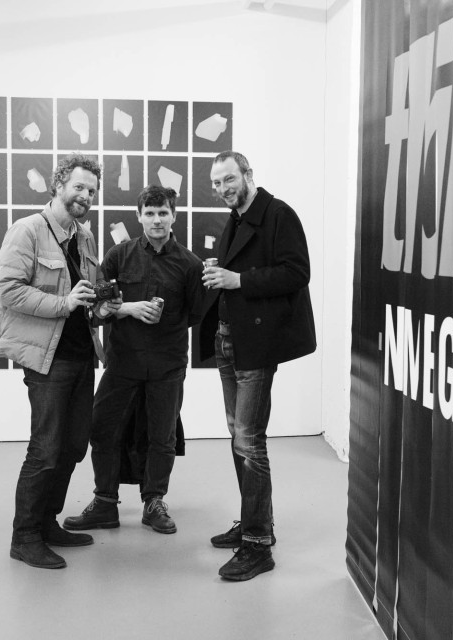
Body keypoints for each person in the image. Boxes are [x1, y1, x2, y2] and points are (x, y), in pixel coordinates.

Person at [198, 151, 316, 581]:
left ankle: (257, 543)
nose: (222, 189)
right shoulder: (237, 218)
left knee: (249, 440)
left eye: (229, 179)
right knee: (239, 437)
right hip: (229, 340)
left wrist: (238, 280)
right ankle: (255, 520)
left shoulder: (279, 214)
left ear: (248, 175)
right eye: (216, 183)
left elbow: (297, 273)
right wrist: (220, 274)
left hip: (256, 345)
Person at [0, 154, 104, 569]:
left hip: (82, 355)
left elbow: (87, 294)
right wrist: (64, 303)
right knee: (46, 448)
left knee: (73, 446)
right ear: (58, 185)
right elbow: (8, 290)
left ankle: (47, 523)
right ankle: (25, 536)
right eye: (79, 186)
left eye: (92, 190)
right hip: (47, 359)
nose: (85, 195)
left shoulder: (84, 237)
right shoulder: (28, 230)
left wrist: (101, 306)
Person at [64, 185, 204, 535]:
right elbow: (97, 308)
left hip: (167, 364)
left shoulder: (190, 264)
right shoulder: (118, 256)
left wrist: (164, 320)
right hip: (122, 362)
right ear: (139, 216)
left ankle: (154, 501)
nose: (157, 220)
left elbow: (195, 314)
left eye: (163, 213)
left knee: (162, 436)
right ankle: (104, 503)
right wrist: (128, 308)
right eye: (150, 213)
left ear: (174, 215)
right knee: (102, 428)